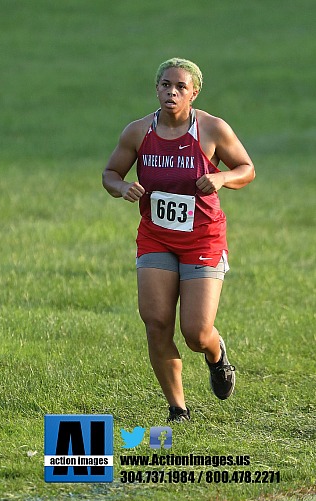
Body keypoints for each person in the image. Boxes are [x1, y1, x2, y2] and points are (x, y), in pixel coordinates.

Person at [102, 58, 255, 422]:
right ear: (156, 89)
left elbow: (246, 169)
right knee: (156, 323)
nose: (172, 92)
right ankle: (178, 408)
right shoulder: (138, 132)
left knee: (195, 332)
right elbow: (109, 173)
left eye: (180, 87)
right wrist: (123, 186)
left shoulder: (213, 129)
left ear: (194, 93)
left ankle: (216, 354)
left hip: (202, 239)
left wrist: (221, 179)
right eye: (165, 85)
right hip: (156, 237)